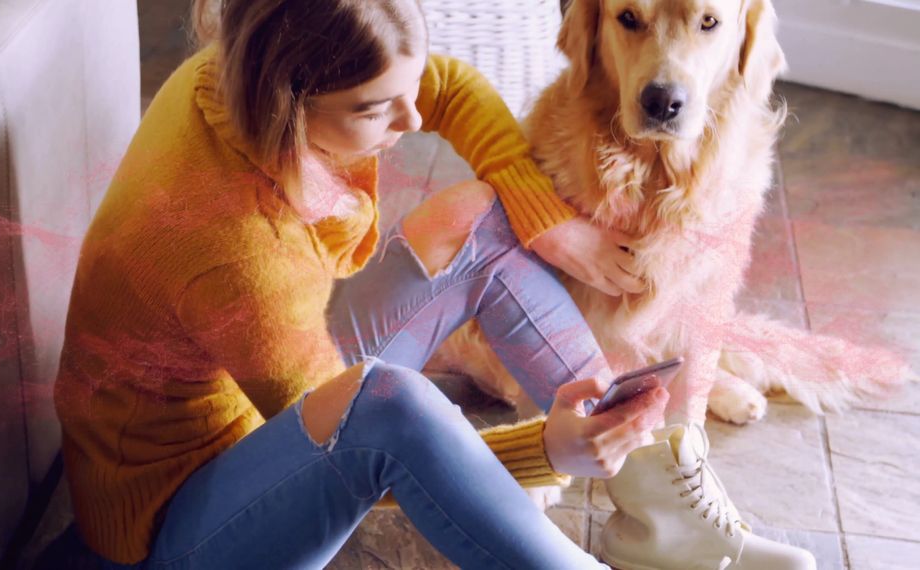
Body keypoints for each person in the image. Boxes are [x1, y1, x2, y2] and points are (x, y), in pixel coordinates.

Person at [53, 0, 666, 568]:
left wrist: (546, 220)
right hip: (173, 523)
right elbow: (365, 441)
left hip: (253, 390)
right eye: (374, 110)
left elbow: (448, 87)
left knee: (478, 219)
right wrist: (543, 452)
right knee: (394, 408)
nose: (413, 118)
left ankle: (644, 471)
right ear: (290, 106)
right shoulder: (240, 252)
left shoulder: (242, 65)